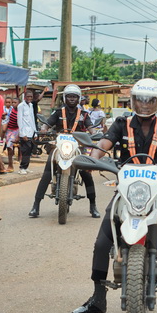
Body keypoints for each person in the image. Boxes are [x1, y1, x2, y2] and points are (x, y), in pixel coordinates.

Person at [72, 79, 157, 313]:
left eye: (150, 100)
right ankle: (98, 297)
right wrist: (93, 158)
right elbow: (103, 144)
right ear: (133, 100)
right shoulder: (121, 124)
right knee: (101, 244)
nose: (144, 104)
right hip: (126, 191)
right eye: (140, 99)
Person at [27, 84, 100, 218]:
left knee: (87, 174)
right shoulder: (58, 112)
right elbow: (47, 124)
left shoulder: (84, 115)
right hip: (60, 146)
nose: (72, 99)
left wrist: (95, 134)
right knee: (47, 171)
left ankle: (93, 205)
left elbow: (91, 129)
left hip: (78, 147)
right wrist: (42, 131)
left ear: (78, 99)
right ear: (65, 98)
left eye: (74, 97)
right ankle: (36, 205)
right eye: (69, 96)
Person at [17, 90, 36, 174]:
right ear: (25, 97)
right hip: (24, 132)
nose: (29, 98)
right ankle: (22, 168)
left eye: (31, 97)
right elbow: (19, 120)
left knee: (29, 149)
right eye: (28, 96)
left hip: (31, 132)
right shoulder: (21, 106)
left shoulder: (31, 105)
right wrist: (22, 134)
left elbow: (32, 119)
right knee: (25, 150)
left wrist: (35, 132)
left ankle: (26, 166)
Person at [3, 97, 18, 172]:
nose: (13, 104)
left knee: (9, 145)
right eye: (13, 103)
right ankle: (10, 164)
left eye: (15, 103)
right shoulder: (11, 110)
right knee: (9, 147)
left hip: (15, 131)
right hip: (9, 130)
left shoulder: (19, 112)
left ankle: (10, 165)